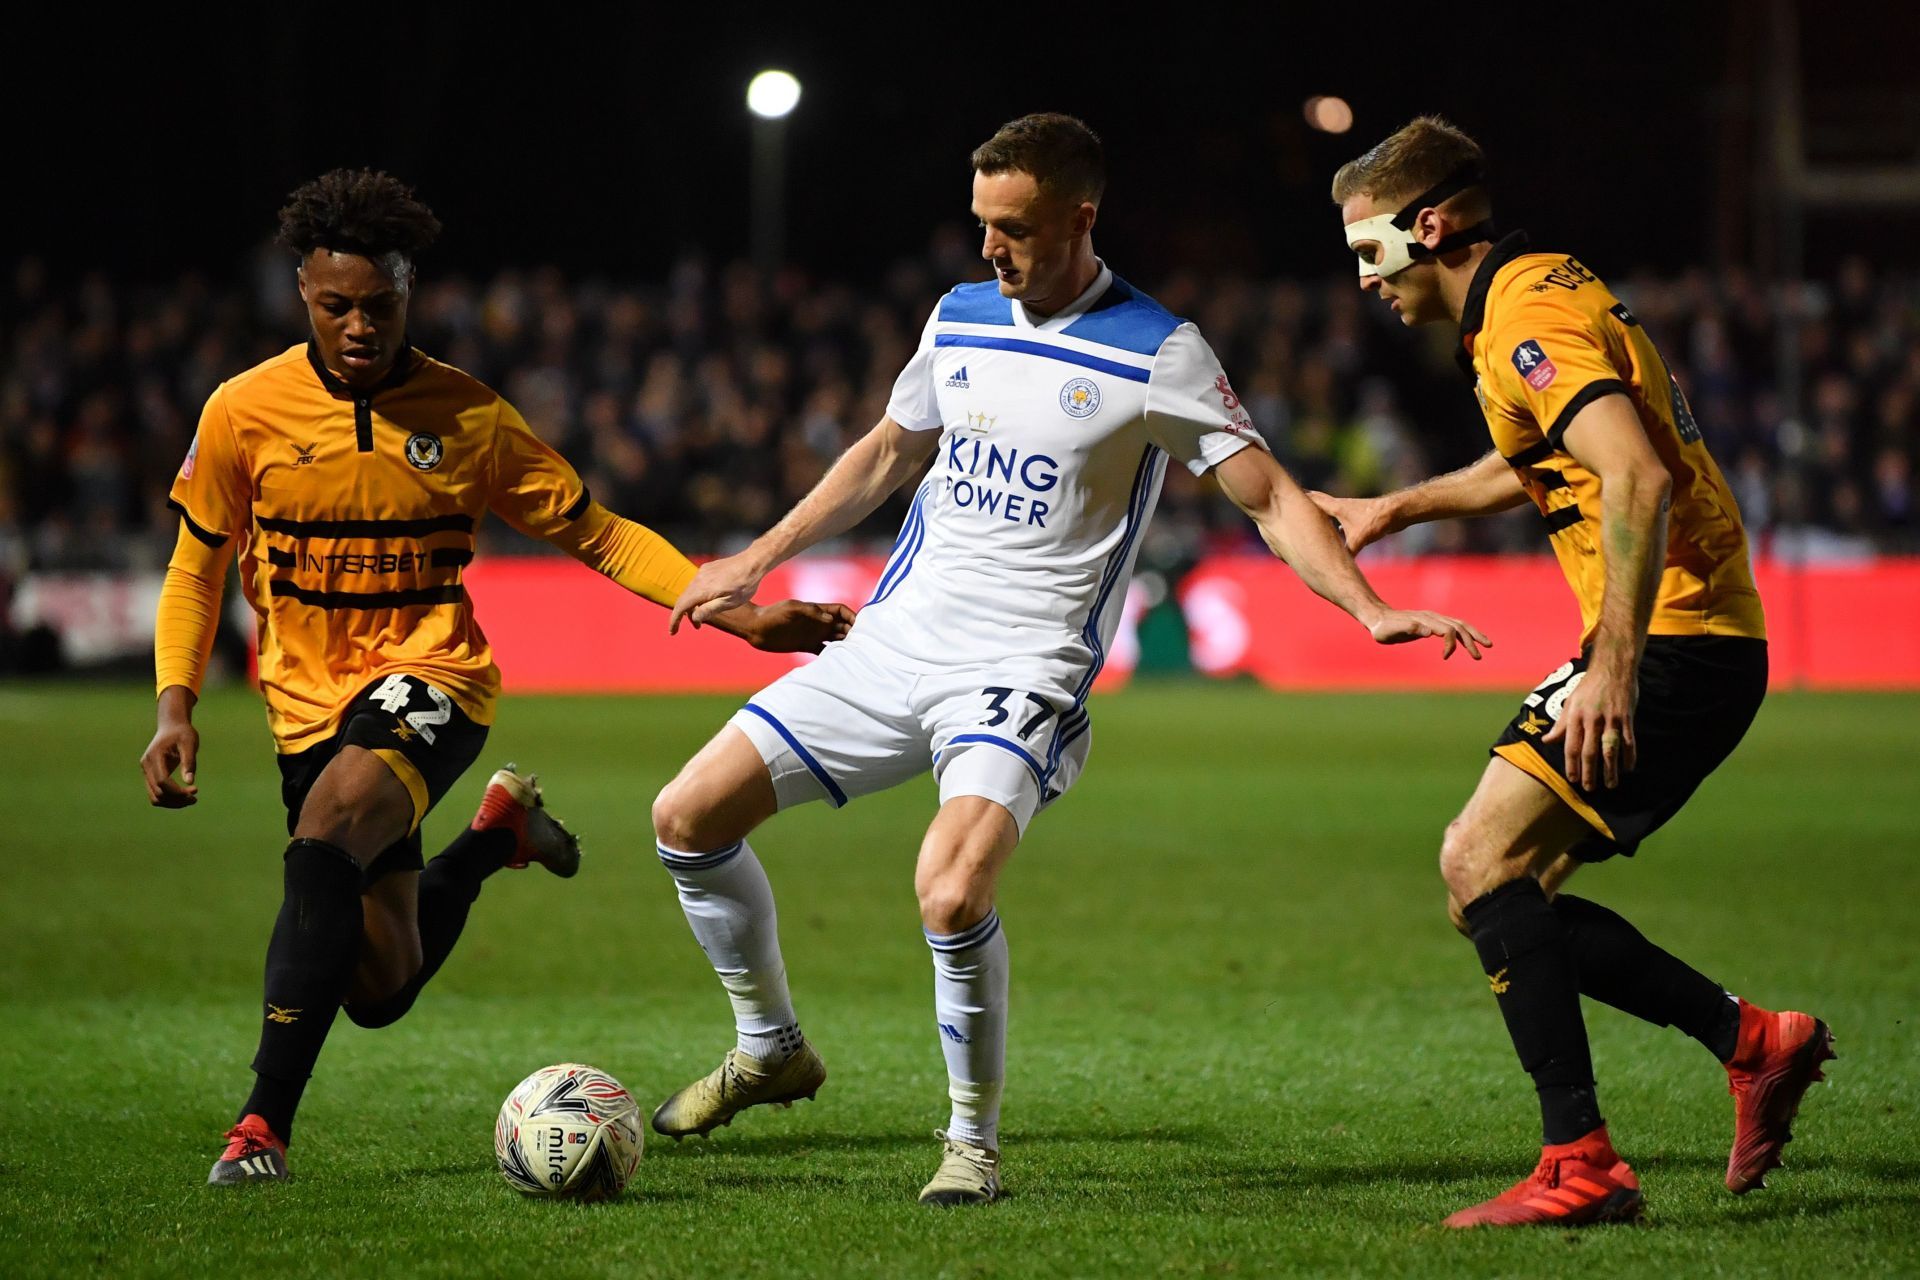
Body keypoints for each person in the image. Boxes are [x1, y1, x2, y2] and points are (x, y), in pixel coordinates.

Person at [648, 113, 1490, 1206]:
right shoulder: (957, 318)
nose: (991, 250)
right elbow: (886, 452)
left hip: (1024, 669)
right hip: (894, 639)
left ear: (1080, 218)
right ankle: (770, 1047)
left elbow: (1271, 492)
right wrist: (756, 558)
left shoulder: (1157, 349)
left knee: (949, 893)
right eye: (982, 226)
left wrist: (1368, 607)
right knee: (685, 816)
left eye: (1016, 229)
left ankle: (971, 1144)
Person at [138, 169, 851, 1185]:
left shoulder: (467, 417)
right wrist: (177, 703)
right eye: (335, 306)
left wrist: (735, 611)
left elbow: (599, 534)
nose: (356, 326)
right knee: (379, 981)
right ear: (303, 290)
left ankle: (261, 1124)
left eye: (377, 306)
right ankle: (491, 841)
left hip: (436, 678)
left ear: (408, 293)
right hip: (304, 705)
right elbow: (197, 563)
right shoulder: (243, 412)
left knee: (331, 825)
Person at [1316, 117, 1833, 1228]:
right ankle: (1752, 1041)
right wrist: (1398, 505)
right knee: (1505, 893)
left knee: (1477, 860)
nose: (1364, 279)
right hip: (1698, 636)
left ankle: (1584, 1161)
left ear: (1430, 225)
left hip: (1675, 638)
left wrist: (1613, 658)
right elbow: (1548, 454)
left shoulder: (1526, 318)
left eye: (1371, 252)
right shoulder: (1532, 290)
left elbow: (1635, 475)